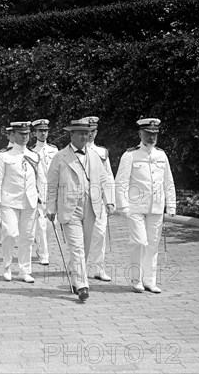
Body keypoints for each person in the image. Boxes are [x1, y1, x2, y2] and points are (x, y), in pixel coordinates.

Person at [45, 118, 114, 301]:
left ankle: (76, 277)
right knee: (77, 247)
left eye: (87, 133)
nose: (85, 136)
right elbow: (51, 185)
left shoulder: (94, 156)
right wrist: (50, 206)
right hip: (69, 208)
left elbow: (105, 179)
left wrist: (109, 201)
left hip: (91, 206)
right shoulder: (60, 157)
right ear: (71, 135)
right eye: (81, 133)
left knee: (85, 246)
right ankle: (83, 285)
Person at [115, 118, 176, 294]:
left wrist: (171, 204)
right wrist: (123, 206)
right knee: (139, 242)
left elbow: (168, 181)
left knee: (153, 244)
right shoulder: (130, 155)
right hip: (135, 207)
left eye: (154, 134)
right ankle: (136, 279)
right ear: (140, 134)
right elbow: (121, 182)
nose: (151, 138)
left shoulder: (161, 155)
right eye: (148, 134)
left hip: (156, 207)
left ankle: (150, 280)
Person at [0, 121, 45, 283]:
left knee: (28, 237)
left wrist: (44, 201)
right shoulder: (4, 156)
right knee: (10, 233)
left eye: (27, 134)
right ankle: (7, 266)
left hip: (30, 202)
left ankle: (24, 270)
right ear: (12, 135)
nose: (24, 137)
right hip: (9, 202)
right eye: (21, 134)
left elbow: (41, 180)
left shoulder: (34, 156)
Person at [84, 116, 115, 281]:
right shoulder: (74, 151)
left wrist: (110, 200)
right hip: (81, 200)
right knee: (82, 235)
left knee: (100, 234)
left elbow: (108, 177)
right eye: (87, 131)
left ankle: (98, 268)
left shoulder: (102, 152)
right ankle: (79, 266)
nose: (90, 134)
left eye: (93, 131)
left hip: (98, 200)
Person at [30, 118, 58, 266]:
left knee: (50, 226)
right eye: (40, 131)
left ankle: (42, 247)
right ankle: (43, 254)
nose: (43, 133)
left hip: (53, 193)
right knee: (41, 224)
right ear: (35, 133)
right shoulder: (32, 152)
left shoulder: (54, 150)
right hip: (39, 192)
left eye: (45, 131)